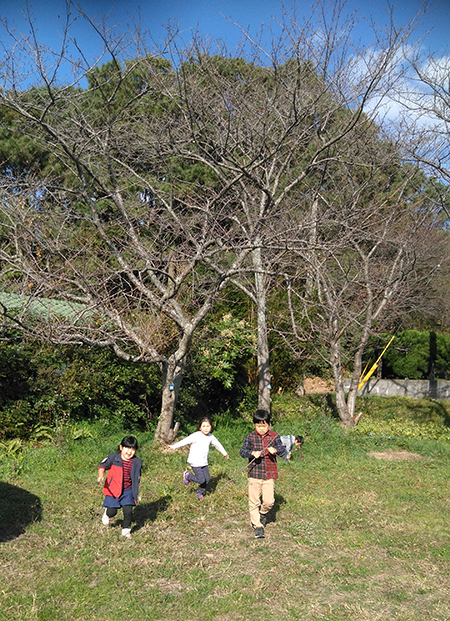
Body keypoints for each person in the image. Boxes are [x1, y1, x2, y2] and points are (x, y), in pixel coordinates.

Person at [240, 409, 287, 538]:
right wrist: (252, 453)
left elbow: (283, 450)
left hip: (269, 474)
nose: (262, 429)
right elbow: (242, 451)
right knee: (254, 501)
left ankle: (263, 513)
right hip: (254, 473)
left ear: (269, 424)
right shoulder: (250, 437)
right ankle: (257, 526)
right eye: (259, 426)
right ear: (254, 425)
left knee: (269, 501)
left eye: (264, 426)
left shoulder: (274, 436)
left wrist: (276, 450)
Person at [169, 417, 229, 499]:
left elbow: (217, 445)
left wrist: (224, 453)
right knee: (201, 480)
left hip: (204, 462)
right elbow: (185, 441)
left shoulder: (211, 437)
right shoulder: (196, 435)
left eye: (208, 426)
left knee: (207, 480)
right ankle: (188, 475)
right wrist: (174, 447)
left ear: (211, 427)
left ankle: (199, 493)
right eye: (203, 426)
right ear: (200, 427)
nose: (206, 428)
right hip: (195, 462)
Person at [97, 435, 142, 539]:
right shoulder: (114, 458)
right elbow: (102, 466)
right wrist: (101, 475)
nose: (129, 452)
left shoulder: (137, 462)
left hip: (128, 490)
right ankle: (107, 514)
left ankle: (126, 530)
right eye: (127, 448)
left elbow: (137, 475)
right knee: (112, 511)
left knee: (128, 510)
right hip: (113, 489)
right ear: (121, 447)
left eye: (133, 449)